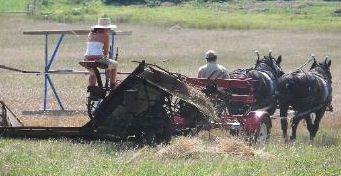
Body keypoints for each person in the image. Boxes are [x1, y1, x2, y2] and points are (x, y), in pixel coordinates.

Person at [84, 17, 118, 88]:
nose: (109, 30)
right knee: (115, 64)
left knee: (93, 73)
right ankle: (112, 84)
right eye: (108, 28)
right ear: (105, 28)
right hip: (98, 59)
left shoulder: (90, 34)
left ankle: (92, 89)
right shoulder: (105, 36)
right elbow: (105, 53)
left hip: (86, 59)